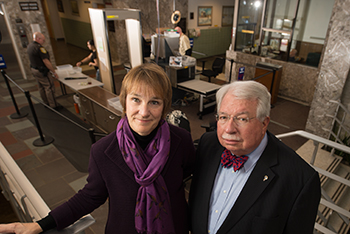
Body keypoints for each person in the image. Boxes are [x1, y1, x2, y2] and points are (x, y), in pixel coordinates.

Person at [0, 63, 196, 234]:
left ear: (164, 107)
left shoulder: (181, 140)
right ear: (125, 103)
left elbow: (188, 174)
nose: (143, 112)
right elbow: (90, 196)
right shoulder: (103, 151)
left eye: (154, 102)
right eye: (136, 99)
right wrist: (39, 225)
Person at [189, 80, 321, 234]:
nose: (229, 129)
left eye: (242, 119)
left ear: (264, 123)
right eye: (223, 117)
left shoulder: (300, 179)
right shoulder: (208, 144)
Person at [27, 32, 59, 109]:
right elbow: (46, 61)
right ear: (38, 39)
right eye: (43, 40)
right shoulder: (39, 48)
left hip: (34, 69)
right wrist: (53, 72)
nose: (43, 42)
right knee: (49, 87)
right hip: (42, 71)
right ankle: (53, 105)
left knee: (41, 87)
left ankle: (46, 102)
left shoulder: (30, 46)